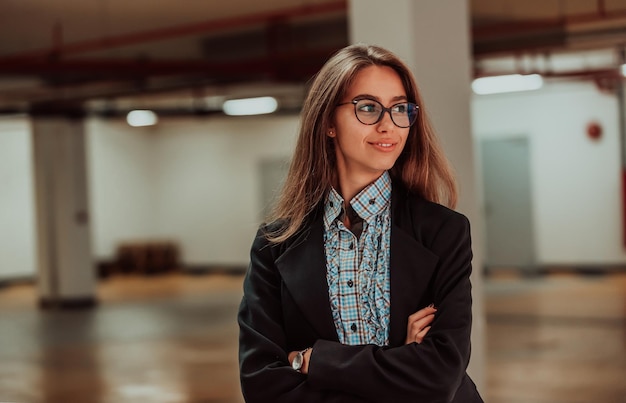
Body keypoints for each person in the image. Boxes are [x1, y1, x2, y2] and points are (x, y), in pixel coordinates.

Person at [238, 43, 483, 403]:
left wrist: (313, 360)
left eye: (400, 109)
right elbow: (262, 383)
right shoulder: (275, 245)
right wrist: (398, 359)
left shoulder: (444, 233)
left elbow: (439, 375)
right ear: (327, 123)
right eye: (368, 108)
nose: (389, 125)